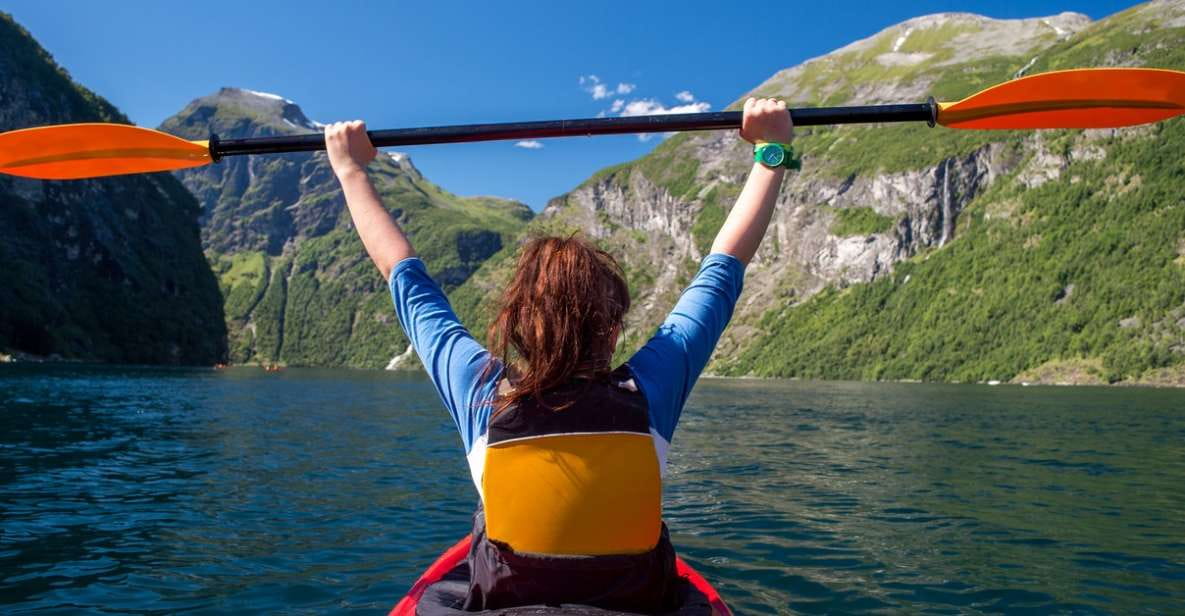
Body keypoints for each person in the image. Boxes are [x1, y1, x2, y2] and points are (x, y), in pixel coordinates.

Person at [326, 97, 795, 613]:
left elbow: (405, 278)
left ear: (515, 325)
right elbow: (723, 270)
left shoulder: (481, 395)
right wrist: (770, 151)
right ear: (614, 328)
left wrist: (350, 170)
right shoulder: (653, 390)